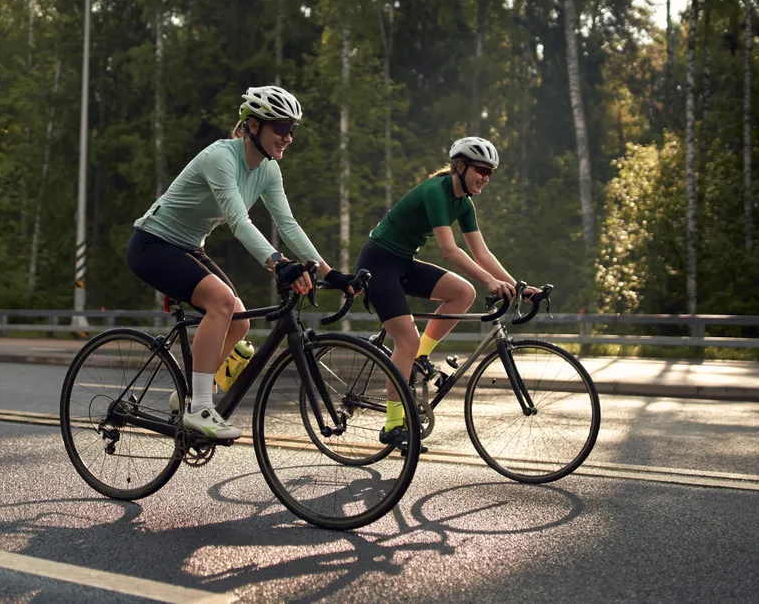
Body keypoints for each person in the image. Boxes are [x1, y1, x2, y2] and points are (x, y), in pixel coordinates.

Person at [127, 85, 354, 440]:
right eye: (280, 128)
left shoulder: (268, 170)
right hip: (152, 243)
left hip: (188, 246)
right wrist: (278, 263)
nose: (288, 137)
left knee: (239, 320)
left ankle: (186, 394)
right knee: (220, 302)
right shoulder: (221, 158)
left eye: (292, 130)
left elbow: (287, 224)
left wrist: (330, 272)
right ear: (252, 126)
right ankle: (200, 406)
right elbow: (239, 221)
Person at [355, 137, 538, 451]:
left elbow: (482, 252)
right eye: (481, 169)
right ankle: (393, 424)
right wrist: (490, 283)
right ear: (461, 166)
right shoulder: (437, 191)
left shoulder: (464, 204)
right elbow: (449, 250)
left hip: (403, 262)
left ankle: (419, 356)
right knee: (405, 340)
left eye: (490, 173)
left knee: (462, 293)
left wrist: (516, 285)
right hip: (378, 262)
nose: (485, 177)